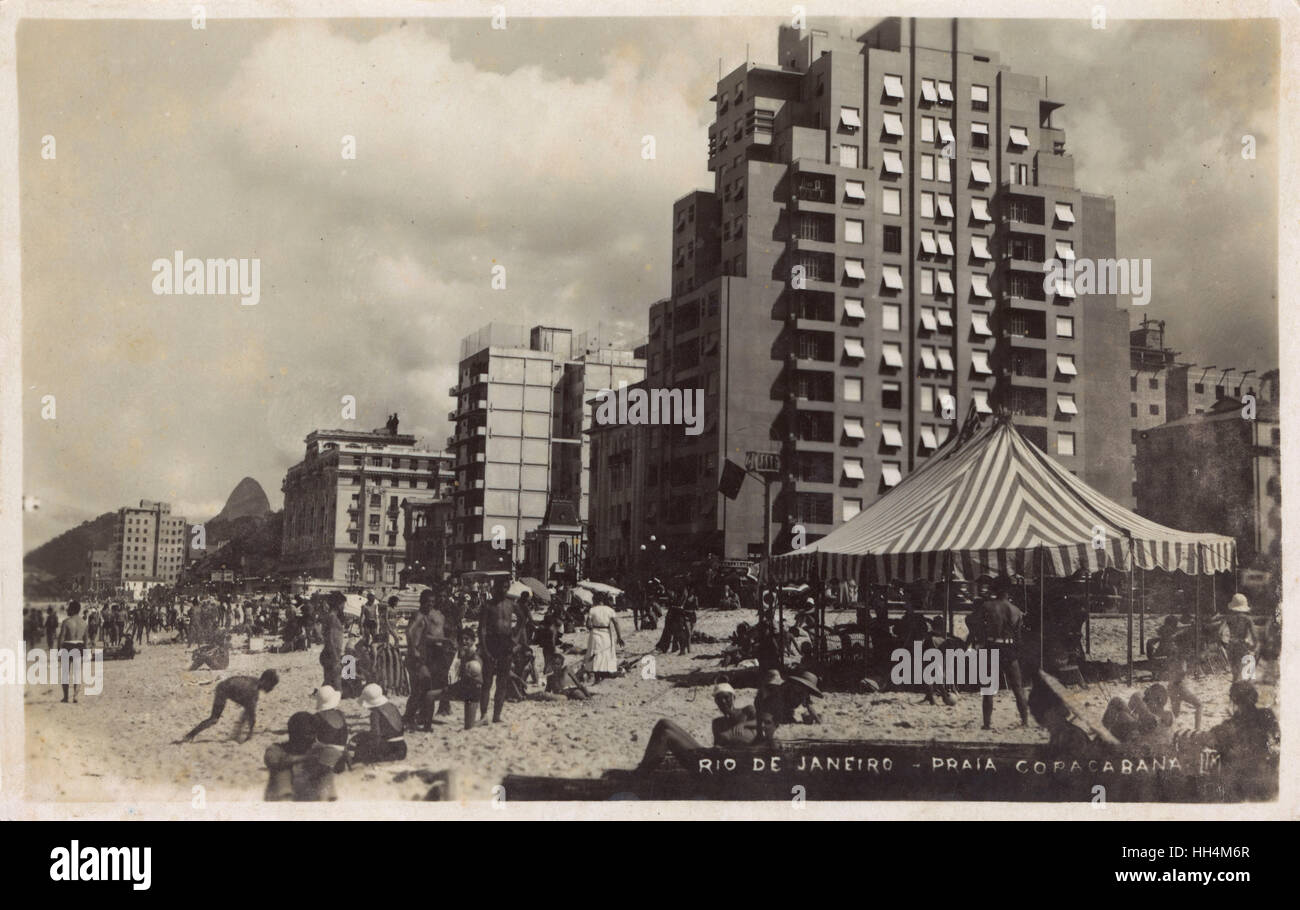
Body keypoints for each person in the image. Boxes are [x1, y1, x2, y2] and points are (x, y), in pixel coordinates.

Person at [635, 697, 779, 774]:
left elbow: (765, 723)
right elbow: (718, 745)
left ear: (733, 697)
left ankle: (643, 773)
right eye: (719, 700)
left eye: (727, 698)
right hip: (709, 755)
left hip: (710, 765)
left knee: (665, 733)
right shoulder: (718, 722)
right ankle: (643, 767)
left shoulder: (748, 713)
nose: (723, 703)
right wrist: (719, 746)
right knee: (663, 722)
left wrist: (743, 725)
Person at [967, 579, 1029, 730]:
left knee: (988, 688)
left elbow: (973, 622)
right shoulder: (1016, 610)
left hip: (991, 645)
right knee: (1017, 687)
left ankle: (987, 723)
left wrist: (978, 640)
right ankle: (1024, 721)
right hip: (1008, 647)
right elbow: (1019, 637)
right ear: (1008, 592)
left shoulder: (987, 606)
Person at [180, 669, 279, 743]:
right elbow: (252, 715)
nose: (271, 689)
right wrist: (250, 733)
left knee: (248, 711)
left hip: (230, 687)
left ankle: (237, 735)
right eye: (271, 686)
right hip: (223, 689)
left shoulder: (255, 683)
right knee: (214, 719)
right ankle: (190, 735)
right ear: (266, 681)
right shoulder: (253, 690)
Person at [264, 712, 344, 802]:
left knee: (325, 772)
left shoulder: (321, 750)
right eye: (307, 734)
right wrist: (305, 758)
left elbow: (336, 760)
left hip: (314, 798)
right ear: (293, 735)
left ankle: (327, 805)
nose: (312, 738)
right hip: (283, 800)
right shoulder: (278, 749)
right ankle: (284, 803)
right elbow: (272, 761)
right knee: (282, 772)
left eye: (313, 733)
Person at [478, 581, 527, 724]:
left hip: (506, 641)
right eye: (501, 587)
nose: (503, 590)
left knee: (502, 681)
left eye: (506, 587)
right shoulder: (488, 605)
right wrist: (484, 647)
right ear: (495, 588)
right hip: (491, 641)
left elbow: (522, 619)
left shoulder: (511, 604)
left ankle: (497, 716)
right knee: (487, 681)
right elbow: (482, 629)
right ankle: (483, 715)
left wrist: (516, 638)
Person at [1153, 615, 1202, 731]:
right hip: (1179, 685)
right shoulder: (1180, 652)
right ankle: (1197, 731)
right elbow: (1182, 670)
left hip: (1171, 685)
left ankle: (1167, 732)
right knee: (1199, 705)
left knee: (1175, 715)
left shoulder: (1170, 646)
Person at [350, 684, 407, 763]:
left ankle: (357, 761)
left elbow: (376, 735)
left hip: (389, 749)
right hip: (402, 748)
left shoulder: (375, 713)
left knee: (361, 739)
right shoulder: (392, 706)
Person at [582, 598, 624, 683]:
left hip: (595, 633)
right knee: (606, 652)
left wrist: (592, 628)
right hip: (606, 633)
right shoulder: (610, 610)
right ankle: (605, 671)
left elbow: (587, 624)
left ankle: (595, 672)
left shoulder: (592, 610)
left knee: (595, 652)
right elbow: (616, 623)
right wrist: (619, 637)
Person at [57, 601, 89, 704]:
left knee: (65, 673)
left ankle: (66, 697)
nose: (67, 610)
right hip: (79, 646)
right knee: (77, 673)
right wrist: (86, 652)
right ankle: (75, 696)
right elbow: (86, 640)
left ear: (72, 609)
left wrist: (59, 651)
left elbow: (61, 638)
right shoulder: (84, 623)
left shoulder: (66, 622)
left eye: (69, 608)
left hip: (68, 646)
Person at [1219, 593, 1256, 682]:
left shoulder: (1228, 618)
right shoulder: (1248, 619)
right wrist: (1254, 647)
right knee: (1246, 674)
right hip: (1242, 646)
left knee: (1235, 673)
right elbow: (1254, 635)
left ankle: (1235, 687)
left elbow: (1219, 632)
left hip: (1231, 646)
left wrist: (1225, 643)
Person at [319, 594, 345, 691]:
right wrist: (335, 656)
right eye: (343, 604)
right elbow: (330, 638)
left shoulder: (329, 616)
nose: (344, 607)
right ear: (338, 604)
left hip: (328, 652)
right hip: (331, 654)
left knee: (328, 682)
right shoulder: (333, 618)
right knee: (337, 687)